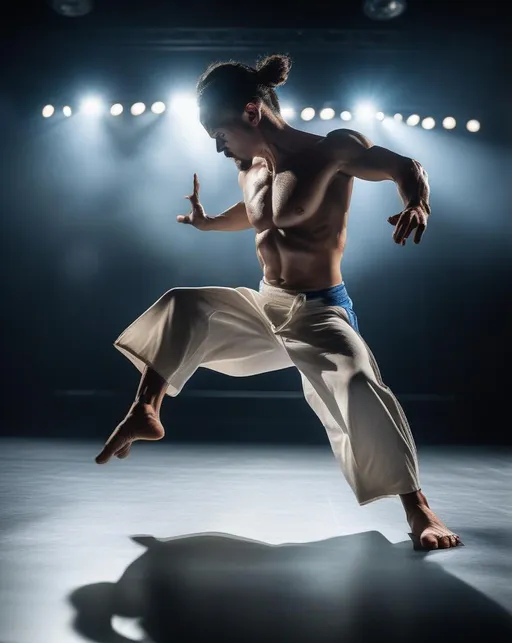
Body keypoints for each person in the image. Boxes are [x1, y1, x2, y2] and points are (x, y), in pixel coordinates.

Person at [96, 54, 462, 551]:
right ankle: (147, 408)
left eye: (218, 133)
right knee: (184, 303)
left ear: (251, 112)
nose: (217, 147)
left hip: (320, 311)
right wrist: (209, 223)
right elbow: (256, 215)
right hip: (268, 304)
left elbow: (405, 166)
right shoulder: (250, 166)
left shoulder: (333, 150)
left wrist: (416, 201)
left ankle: (418, 509)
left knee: (358, 383)